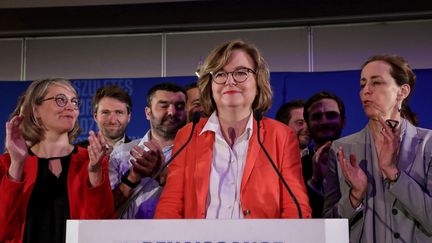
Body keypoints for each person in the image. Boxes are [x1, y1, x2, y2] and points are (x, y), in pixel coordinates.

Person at [154, 39, 311, 219]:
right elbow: (171, 204)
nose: (230, 81)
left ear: (258, 82)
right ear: (210, 84)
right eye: (220, 74)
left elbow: (296, 207)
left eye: (241, 73)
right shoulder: (188, 135)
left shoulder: (281, 136)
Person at [323, 55, 432, 242]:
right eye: (363, 84)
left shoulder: (428, 144)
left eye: (376, 83)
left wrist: (393, 174)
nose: (366, 91)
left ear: (402, 91)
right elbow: (328, 227)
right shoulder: (341, 149)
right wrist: (354, 196)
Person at [0, 78, 114, 243]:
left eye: (74, 102)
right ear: (36, 109)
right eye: (60, 100)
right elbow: (3, 230)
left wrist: (95, 173)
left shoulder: (90, 162)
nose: (70, 107)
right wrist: (17, 165)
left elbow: (101, 230)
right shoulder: (7, 163)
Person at [110, 82, 187, 219]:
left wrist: (163, 174)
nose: (172, 112)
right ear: (148, 112)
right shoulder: (121, 153)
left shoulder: (196, 155)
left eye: (179, 107)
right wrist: (132, 177)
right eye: (163, 106)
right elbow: (104, 211)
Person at [302, 91, 346, 217]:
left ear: (343, 121)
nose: (324, 122)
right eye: (317, 117)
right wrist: (315, 181)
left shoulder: (360, 160)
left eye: (331, 115)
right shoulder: (296, 167)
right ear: (307, 124)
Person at [76, 85, 132, 154]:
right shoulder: (77, 152)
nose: (112, 121)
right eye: (105, 112)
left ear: (128, 117)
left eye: (119, 112)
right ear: (95, 117)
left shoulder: (140, 153)